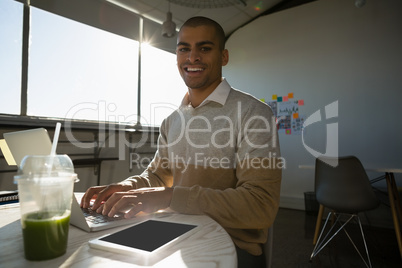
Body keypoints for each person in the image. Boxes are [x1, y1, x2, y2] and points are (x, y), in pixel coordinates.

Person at [81, 16, 282, 268]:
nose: (192, 57)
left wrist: (168, 197)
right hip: (172, 232)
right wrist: (126, 187)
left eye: (205, 48)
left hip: (231, 244)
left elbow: (260, 206)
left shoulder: (254, 114)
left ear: (224, 57)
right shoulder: (172, 120)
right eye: (184, 49)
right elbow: (157, 176)